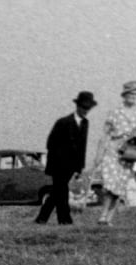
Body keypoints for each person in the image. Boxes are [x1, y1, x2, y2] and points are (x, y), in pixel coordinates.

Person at [35, 90, 96, 225]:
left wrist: (80, 167)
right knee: (62, 190)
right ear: (78, 106)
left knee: (57, 191)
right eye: (84, 107)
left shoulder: (85, 123)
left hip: (72, 165)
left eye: (88, 108)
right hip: (58, 164)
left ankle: (42, 218)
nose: (86, 110)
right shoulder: (63, 122)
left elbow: (82, 146)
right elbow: (50, 142)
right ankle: (64, 219)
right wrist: (60, 157)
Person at [93, 80, 136, 225]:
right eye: (131, 93)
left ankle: (108, 218)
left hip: (128, 154)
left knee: (120, 187)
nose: (133, 96)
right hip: (112, 150)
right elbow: (105, 134)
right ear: (125, 94)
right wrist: (99, 154)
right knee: (109, 185)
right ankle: (103, 215)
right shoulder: (115, 112)